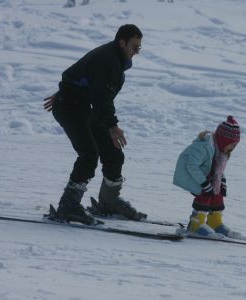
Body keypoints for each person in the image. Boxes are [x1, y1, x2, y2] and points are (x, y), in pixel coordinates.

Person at [43, 24, 146, 225]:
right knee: (89, 154)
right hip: (70, 107)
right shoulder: (108, 60)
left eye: (139, 48)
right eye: (134, 47)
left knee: (113, 151)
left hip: (81, 104)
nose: (136, 52)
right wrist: (112, 125)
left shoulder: (113, 57)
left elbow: (80, 73)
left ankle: (109, 201)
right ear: (122, 42)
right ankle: (68, 206)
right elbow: (101, 98)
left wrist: (67, 88)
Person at [173, 116, 241, 237]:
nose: (232, 148)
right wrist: (204, 184)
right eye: (231, 144)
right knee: (205, 193)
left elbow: (218, 170)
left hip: (203, 175)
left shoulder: (220, 151)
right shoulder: (203, 147)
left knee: (217, 193)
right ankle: (196, 225)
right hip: (189, 174)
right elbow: (191, 166)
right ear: (223, 140)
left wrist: (222, 182)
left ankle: (215, 222)